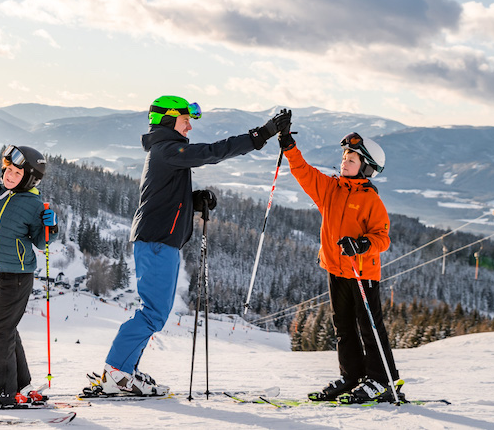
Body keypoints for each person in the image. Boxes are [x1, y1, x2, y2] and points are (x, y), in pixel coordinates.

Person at [98, 97, 290, 395]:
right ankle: (116, 371)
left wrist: (193, 199)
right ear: (166, 120)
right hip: (157, 241)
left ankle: (124, 370)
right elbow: (212, 152)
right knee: (153, 314)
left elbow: (164, 196)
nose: (189, 125)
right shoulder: (168, 150)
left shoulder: (165, 151)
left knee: (154, 313)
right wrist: (259, 135)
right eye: (185, 119)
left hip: (160, 240)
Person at [281, 127, 402, 404]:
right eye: (345, 156)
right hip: (335, 270)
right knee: (343, 327)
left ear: (366, 168)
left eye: (352, 159)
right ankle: (352, 376)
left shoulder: (371, 200)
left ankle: (382, 381)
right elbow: (303, 171)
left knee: (369, 327)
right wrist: (289, 146)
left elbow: (382, 238)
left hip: (362, 273)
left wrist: (361, 245)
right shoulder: (330, 189)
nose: (345, 161)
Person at [0, 125, 55, 407]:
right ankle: (20, 383)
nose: (8, 175)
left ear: (28, 179)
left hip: (16, 277)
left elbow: (41, 242)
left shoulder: (33, 203)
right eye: (7, 170)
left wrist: (50, 225)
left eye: (16, 173)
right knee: (6, 330)